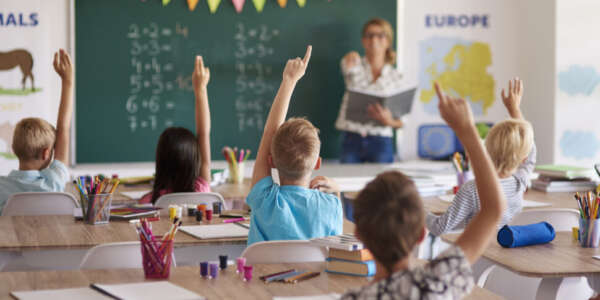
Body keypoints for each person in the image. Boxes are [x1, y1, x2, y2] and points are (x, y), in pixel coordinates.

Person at [340, 82, 506, 299]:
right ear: (421, 234)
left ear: (359, 236)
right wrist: (467, 130)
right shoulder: (439, 281)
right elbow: (493, 209)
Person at [246, 46, 343, 245]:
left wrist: (288, 81)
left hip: (262, 276)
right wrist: (337, 192)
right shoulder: (331, 206)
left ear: (270, 161)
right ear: (317, 163)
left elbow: (269, 133)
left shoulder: (265, 201)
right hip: (314, 277)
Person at [427, 78, 536, 236]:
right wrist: (515, 109)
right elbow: (530, 151)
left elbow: (439, 227)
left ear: (487, 149)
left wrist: (420, 211)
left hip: (478, 255)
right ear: (523, 158)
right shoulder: (520, 182)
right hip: (507, 254)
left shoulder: (472, 189)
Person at [0, 49, 74, 214]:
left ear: (13, 149)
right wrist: (67, 80)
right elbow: (63, 130)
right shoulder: (53, 182)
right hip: (52, 240)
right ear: (47, 153)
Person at [140, 56, 212, 204]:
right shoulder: (201, 190)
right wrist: (200, 89)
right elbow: (203, 133)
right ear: (195, 160)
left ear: (160, 161)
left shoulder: (150, 202)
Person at [335, 18, 404, 163]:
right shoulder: (353, 65)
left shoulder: (396, 77)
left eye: (380, 35)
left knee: (383, 184)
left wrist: (388, 121)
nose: (374, 40)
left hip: (381, 140)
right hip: (352, 137)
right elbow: (345, 66)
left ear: (388, 41)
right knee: (347, 183)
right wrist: (350, 59)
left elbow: (401, 121)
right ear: (363, 40)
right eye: (369, 35)